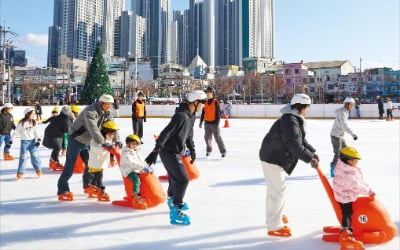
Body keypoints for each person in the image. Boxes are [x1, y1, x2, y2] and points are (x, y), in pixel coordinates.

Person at [259, 93, 318, 237]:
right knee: (277, 191)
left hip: (274, 156)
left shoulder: (292, 118)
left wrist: (312, 152)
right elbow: (293, 144)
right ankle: (274, 225)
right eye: (307, 107)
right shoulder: (290, 120)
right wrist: (309, 159)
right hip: (272, 157)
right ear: (301, 107)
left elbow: (300, 140)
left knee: (277, 190)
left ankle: (275, 215)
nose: (308, 110)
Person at [152, 90, 206, 225]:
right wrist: (157, 147)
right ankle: (176, 208)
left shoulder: (191, 116)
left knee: (174, 177)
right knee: (182, 180)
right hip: (168, 151)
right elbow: (166, 132)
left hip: (176, 151)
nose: (204, 105)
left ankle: (171, 199)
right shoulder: (181, 116)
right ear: (195, 102)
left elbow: (189, 134)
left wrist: (192, 149)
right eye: (203, 102)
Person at [57, 94, 116, 201]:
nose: (109, 106)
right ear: (101, 103)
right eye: (107, 104)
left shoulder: (107, 113)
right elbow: (93, 129)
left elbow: (112, 127)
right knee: (70, 165)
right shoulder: (90, 112)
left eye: (111, 104)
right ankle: (62, 190)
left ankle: (88, 186)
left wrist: (117, 141)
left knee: (91, 163)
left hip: (88, 141)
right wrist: (103, 142)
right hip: (76, 139)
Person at [332, 146, 372, 249]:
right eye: (356, 161)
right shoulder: (346, 174)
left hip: (347, 193)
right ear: (349, 161)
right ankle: (345, 233)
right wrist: (368, 192)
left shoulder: (350, 168)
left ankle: (347, 228)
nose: (357, 163)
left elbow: (360, 181)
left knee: (351, 211)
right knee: (348, 212)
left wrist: (369, 188)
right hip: (344, 196)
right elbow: (356, 185)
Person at [87, 120, 119, 202]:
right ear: (105, 131)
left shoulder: (108, 138)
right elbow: (94, 149)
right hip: (96, 160)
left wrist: (112, 158)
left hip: (101, 161)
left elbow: (110, 148)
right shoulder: (97, 138)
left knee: (97, 175)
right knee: (99, 175)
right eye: (111, 133)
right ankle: (101, 190)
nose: (113, 135)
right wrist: (105, 147)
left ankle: (93, 187)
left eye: (114, 133)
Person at [119, 134, 153, 209]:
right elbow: (132, 163)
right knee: (136, 180)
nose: (134, 146)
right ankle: (136, 196)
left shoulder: (136, 151)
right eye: (133, 144)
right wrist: (143, 167)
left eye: (136, 144)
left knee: (144, 178)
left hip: (136, 169)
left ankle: (143, 194)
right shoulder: (126, 153)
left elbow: (142, 161)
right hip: (128, 170)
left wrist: (147, 166)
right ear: (128, 144)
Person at [330, 97, 358, 177]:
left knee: (346, 152)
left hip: (340, 136)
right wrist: (353, 134)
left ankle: (345, 167)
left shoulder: (345, 111)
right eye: (351, 105)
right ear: (346, 104)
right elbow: (344, 126)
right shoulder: (342, 113)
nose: (352, 106)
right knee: (338, 153)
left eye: (353, 105)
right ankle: (333, 168)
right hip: (336, 136)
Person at [42, 106, 75, 171]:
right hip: (54, 135)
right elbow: (67, 130)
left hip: (51, 133)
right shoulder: (66, 118)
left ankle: (53, 162)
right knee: (57, 147)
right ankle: (54, 163)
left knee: (57, 148)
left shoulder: (60, 116)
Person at [13, 107, 42, 179]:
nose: (34, 115)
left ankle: (38, 169)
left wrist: (38, 140)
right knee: (23, 157)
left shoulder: (34, 122)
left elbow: (37, 132)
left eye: (34, 114)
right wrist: (11, 140)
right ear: (27, 114)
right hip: (24, 142)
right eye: (32, 114)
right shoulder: (21, 123)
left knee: (35, 156)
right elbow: (16, 132)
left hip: (32, 142)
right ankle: (20, 172)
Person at [199, 87, 227, 159]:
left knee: (217, 138)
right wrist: (201, 121)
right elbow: (203, 112)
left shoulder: (215, 102)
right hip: (207, 123)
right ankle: (209, 150)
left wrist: (217, 123)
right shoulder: (205, 102)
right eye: (206, 92)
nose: (207, 94)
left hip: (214, 123)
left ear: (212, 93)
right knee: (207, 138)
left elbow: (218, 113)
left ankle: (223, 151)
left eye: (209, 92)